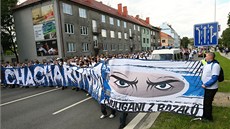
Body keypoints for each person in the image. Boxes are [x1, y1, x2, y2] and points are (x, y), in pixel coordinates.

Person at [201, 52, 220, 121]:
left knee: (208, 103)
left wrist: (206, 84)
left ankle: (208, 118)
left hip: (211, 88)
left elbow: (214, 78)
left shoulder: (215, 65)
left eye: (206, 56)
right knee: (206, 102)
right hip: (207, 87)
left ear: (210, 57)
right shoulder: (207, 64)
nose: (205, 57)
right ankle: (205, 116)